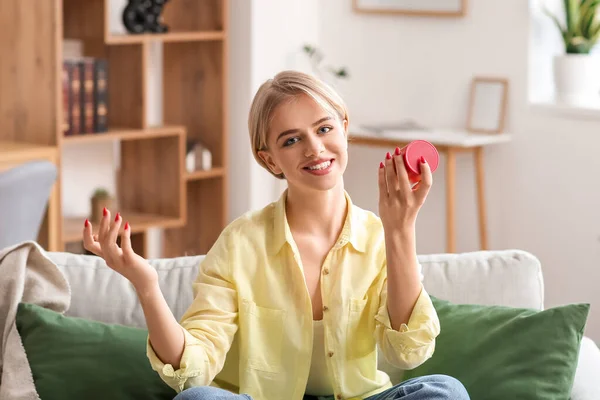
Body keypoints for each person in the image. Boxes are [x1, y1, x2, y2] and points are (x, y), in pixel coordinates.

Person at [82, 71, 469, 400]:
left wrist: (400, 230)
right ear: (269, 159)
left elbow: (408, 352)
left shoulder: (379, 237)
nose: (315, 148)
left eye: (324, 128)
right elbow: (194, 370)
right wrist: (147, 286)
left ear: (344, 128)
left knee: (444, 391)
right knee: (199, 398)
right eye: (291, 139)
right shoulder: (240, 243)